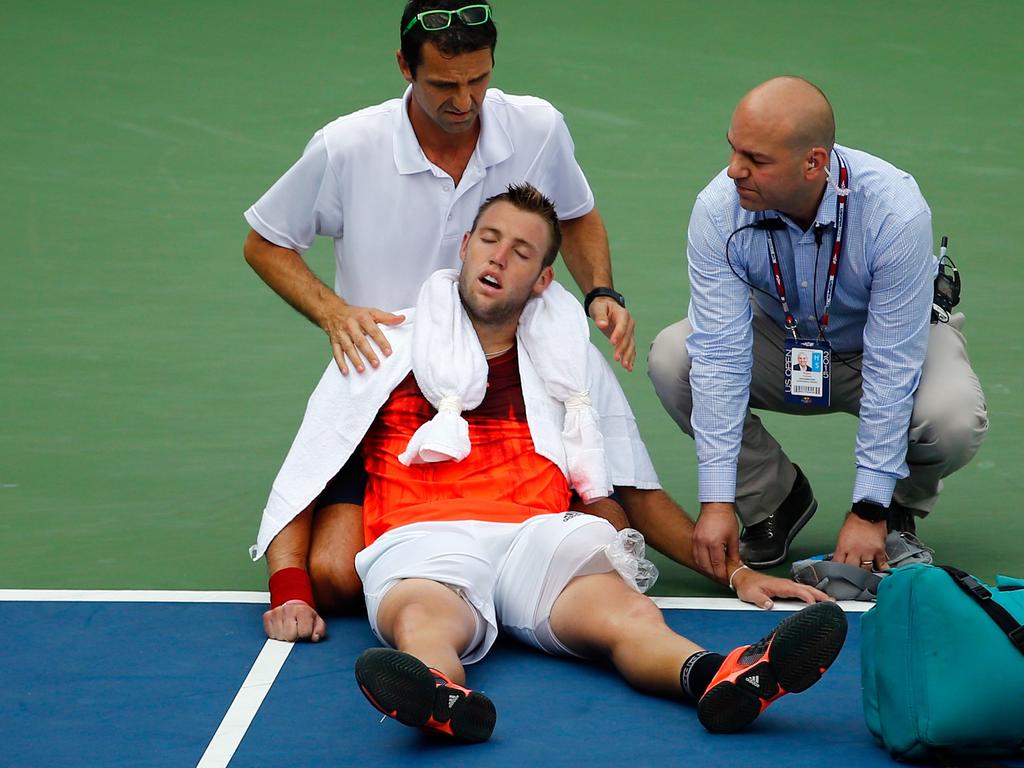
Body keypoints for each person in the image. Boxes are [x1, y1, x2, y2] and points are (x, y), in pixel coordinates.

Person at [255, 184, 847, 742]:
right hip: (424, 540)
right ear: (464, 248)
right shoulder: (382, 344)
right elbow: (305, 474)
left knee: (628, 613)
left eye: (521, 252)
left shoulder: (568, 362)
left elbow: (635, 489)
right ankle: (442, 698)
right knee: (422, 620)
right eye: (489, 239)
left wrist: (737, 573)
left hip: (537, 536)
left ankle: (721, 676)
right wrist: (288, 590)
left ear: (542, 280)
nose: (498, 258)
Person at [242, 1, 635, 611]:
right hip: (390, 379)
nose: (465, 100)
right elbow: (265, 242)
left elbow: (577, 214)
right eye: (444, 84)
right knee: (336, 575)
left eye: (479, 80)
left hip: (509, 372)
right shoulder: (348, 146)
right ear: (404, 66)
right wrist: (335, 312)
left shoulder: (537, 127)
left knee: (601, 535)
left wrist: (601, 291)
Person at [648, 77, 988, 581]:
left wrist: (867, 507)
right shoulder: (718, 209)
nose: (733, 170)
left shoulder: (894, 211)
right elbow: (719, 353)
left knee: (953, 418)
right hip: (782, 339)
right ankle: (774, 499)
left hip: (886, 346)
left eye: (756, 160)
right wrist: (716, 501)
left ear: (814, 163)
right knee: (675, 359)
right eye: (733, 149)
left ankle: (894, 509)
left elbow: (895, 365)